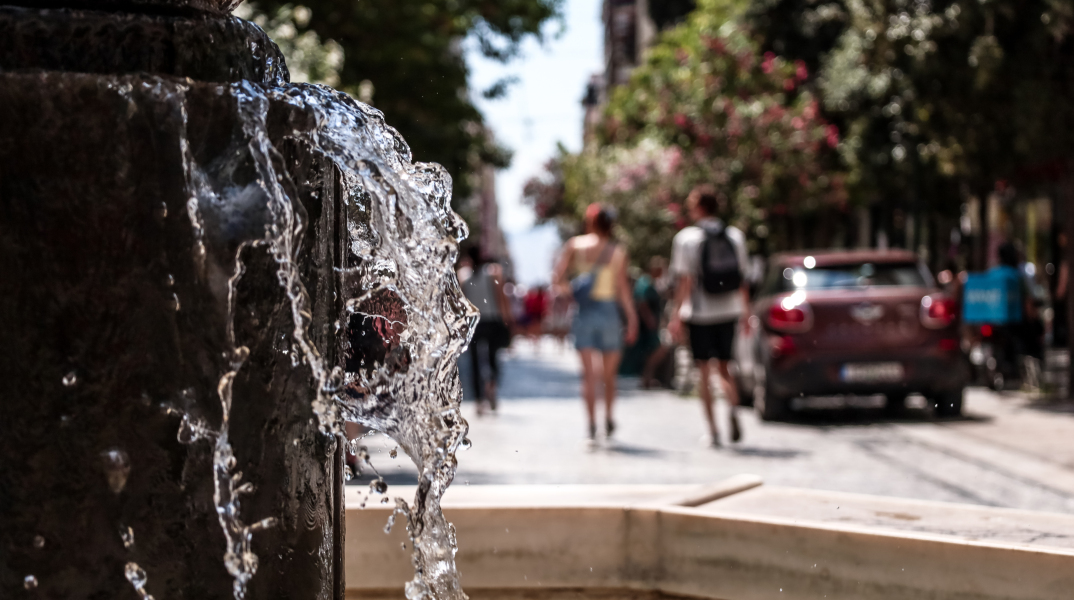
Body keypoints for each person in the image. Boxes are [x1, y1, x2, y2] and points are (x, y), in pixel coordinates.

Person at [668, 186, 750, 447]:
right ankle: (734, 407)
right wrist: (746, 312)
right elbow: (743, 279)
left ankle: (713, 431)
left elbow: (685, 281)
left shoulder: (686, 239)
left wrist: (676, 315)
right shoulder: (735, 237)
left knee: (704, 371)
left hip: (700, 313)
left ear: (698, 208)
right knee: (726, 367)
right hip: (730, 309)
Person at [553, 204, 638, 440]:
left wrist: (573, 290)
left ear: (589, 222)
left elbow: (557, 280)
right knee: (608, 375)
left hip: (584, 312)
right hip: (609, 312)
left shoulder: (575, 245)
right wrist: (632, 319)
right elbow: (622, 290)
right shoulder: (617, 251)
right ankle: (608, 418)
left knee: (588, 376)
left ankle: (591, 425)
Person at [460, 246, 514, 415]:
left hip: (473, 323)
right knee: (492, 358)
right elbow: (501, 297)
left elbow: (461, 302)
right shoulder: (493, 272)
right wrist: (508, 319)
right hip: (492, 320)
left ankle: (478, 401)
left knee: (475, 362)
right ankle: (491, 386)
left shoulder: (463, 275)